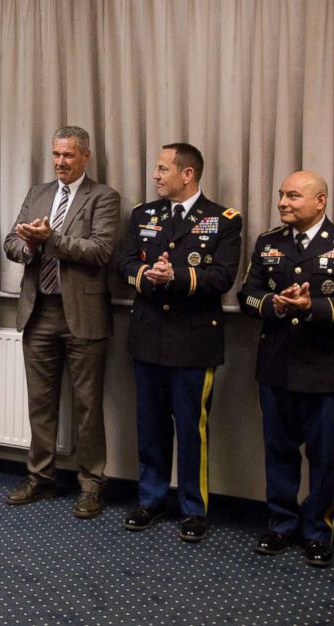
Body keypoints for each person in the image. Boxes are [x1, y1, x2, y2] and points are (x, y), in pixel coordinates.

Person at [115, 143, 242, 542]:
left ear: (187, 174)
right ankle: (151, 500)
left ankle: (193, 509)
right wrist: (146, 274)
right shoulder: (143, 215)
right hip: (148, 334)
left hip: (193, 340)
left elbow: (222, 278)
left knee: (192, 429)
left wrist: (177, 278)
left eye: (162, 168)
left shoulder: (223, 220)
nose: (155, 175)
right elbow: (123, 263)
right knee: (149, 425)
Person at [2, 126, 120, 518]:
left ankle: (91, 484)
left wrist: (50, 239)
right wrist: (29, 245)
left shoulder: (104, 197)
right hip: (39, 311)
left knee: (87, 405)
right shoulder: (38, 193)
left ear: (85, 156)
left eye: (68, 156)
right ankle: (40, 476)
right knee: (40, 402)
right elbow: (10, 243)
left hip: (83, 315)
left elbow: (100, 251)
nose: (60, 163)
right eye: (55, 155)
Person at [238, 170, 334, 568]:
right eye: (281, 195)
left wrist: (310, 308)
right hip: (276, 366)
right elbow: (247, 295)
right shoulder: (268, 242)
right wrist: (273, 304)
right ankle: (281, 523)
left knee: (326, 455)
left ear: (320, 201)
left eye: (293, 196)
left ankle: (317, 528)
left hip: (324, 369)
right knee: (279, 450)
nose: (282, 203)